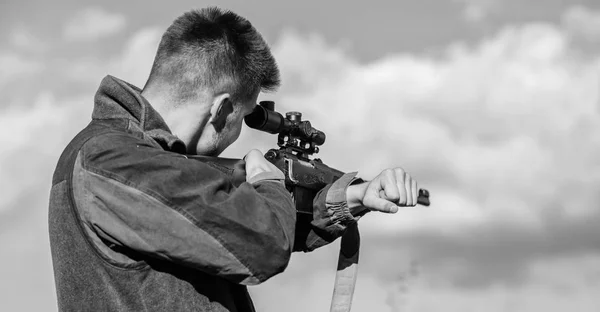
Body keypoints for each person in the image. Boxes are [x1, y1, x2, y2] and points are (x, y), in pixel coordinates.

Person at [48, 7, 419, 312]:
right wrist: (269, 182)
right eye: (243, 119)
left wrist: (349, 198)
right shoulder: (110, 157)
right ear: (223, 109)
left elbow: (220, 223)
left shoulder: (138, 158)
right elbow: (259, 244)